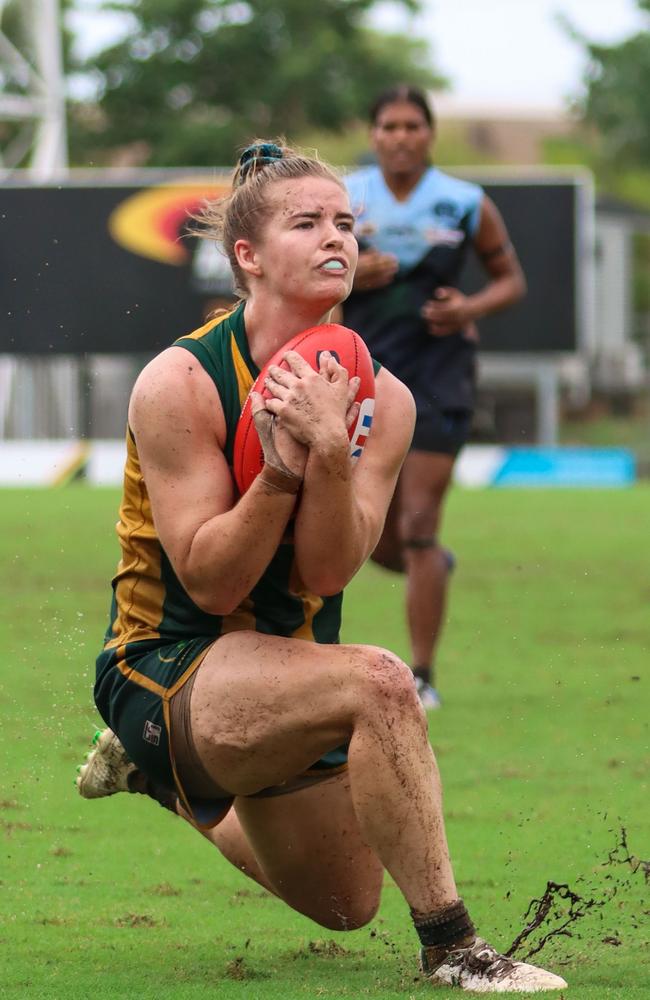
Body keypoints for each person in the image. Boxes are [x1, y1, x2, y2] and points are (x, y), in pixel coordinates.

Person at [76, 141, 564, 993]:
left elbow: (331, 573)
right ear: (249, 256)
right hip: (169, 665)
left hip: (280, 667)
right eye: (306, 223)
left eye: (345, 221)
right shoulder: (179, 381)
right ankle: (456, 949)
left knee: (347, 905)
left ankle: (155, 780)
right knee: (380, 682)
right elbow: (213, 584)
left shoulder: (391, 400)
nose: (336, 237)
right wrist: (282, 470)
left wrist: (332, 450)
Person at [342, 86, 527, 709]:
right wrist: (349, 269)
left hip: (441, 370)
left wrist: (469, 307)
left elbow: (511, 281)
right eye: (389, 125)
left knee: (419, 522)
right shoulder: (343, 199)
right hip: (363, 373)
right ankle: (429, 566)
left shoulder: (465, 202)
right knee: (368, 535)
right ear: (373, 135)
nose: (400, 136)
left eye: (412, 125)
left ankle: (422, 676)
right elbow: (303, 271)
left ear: (430, 134)